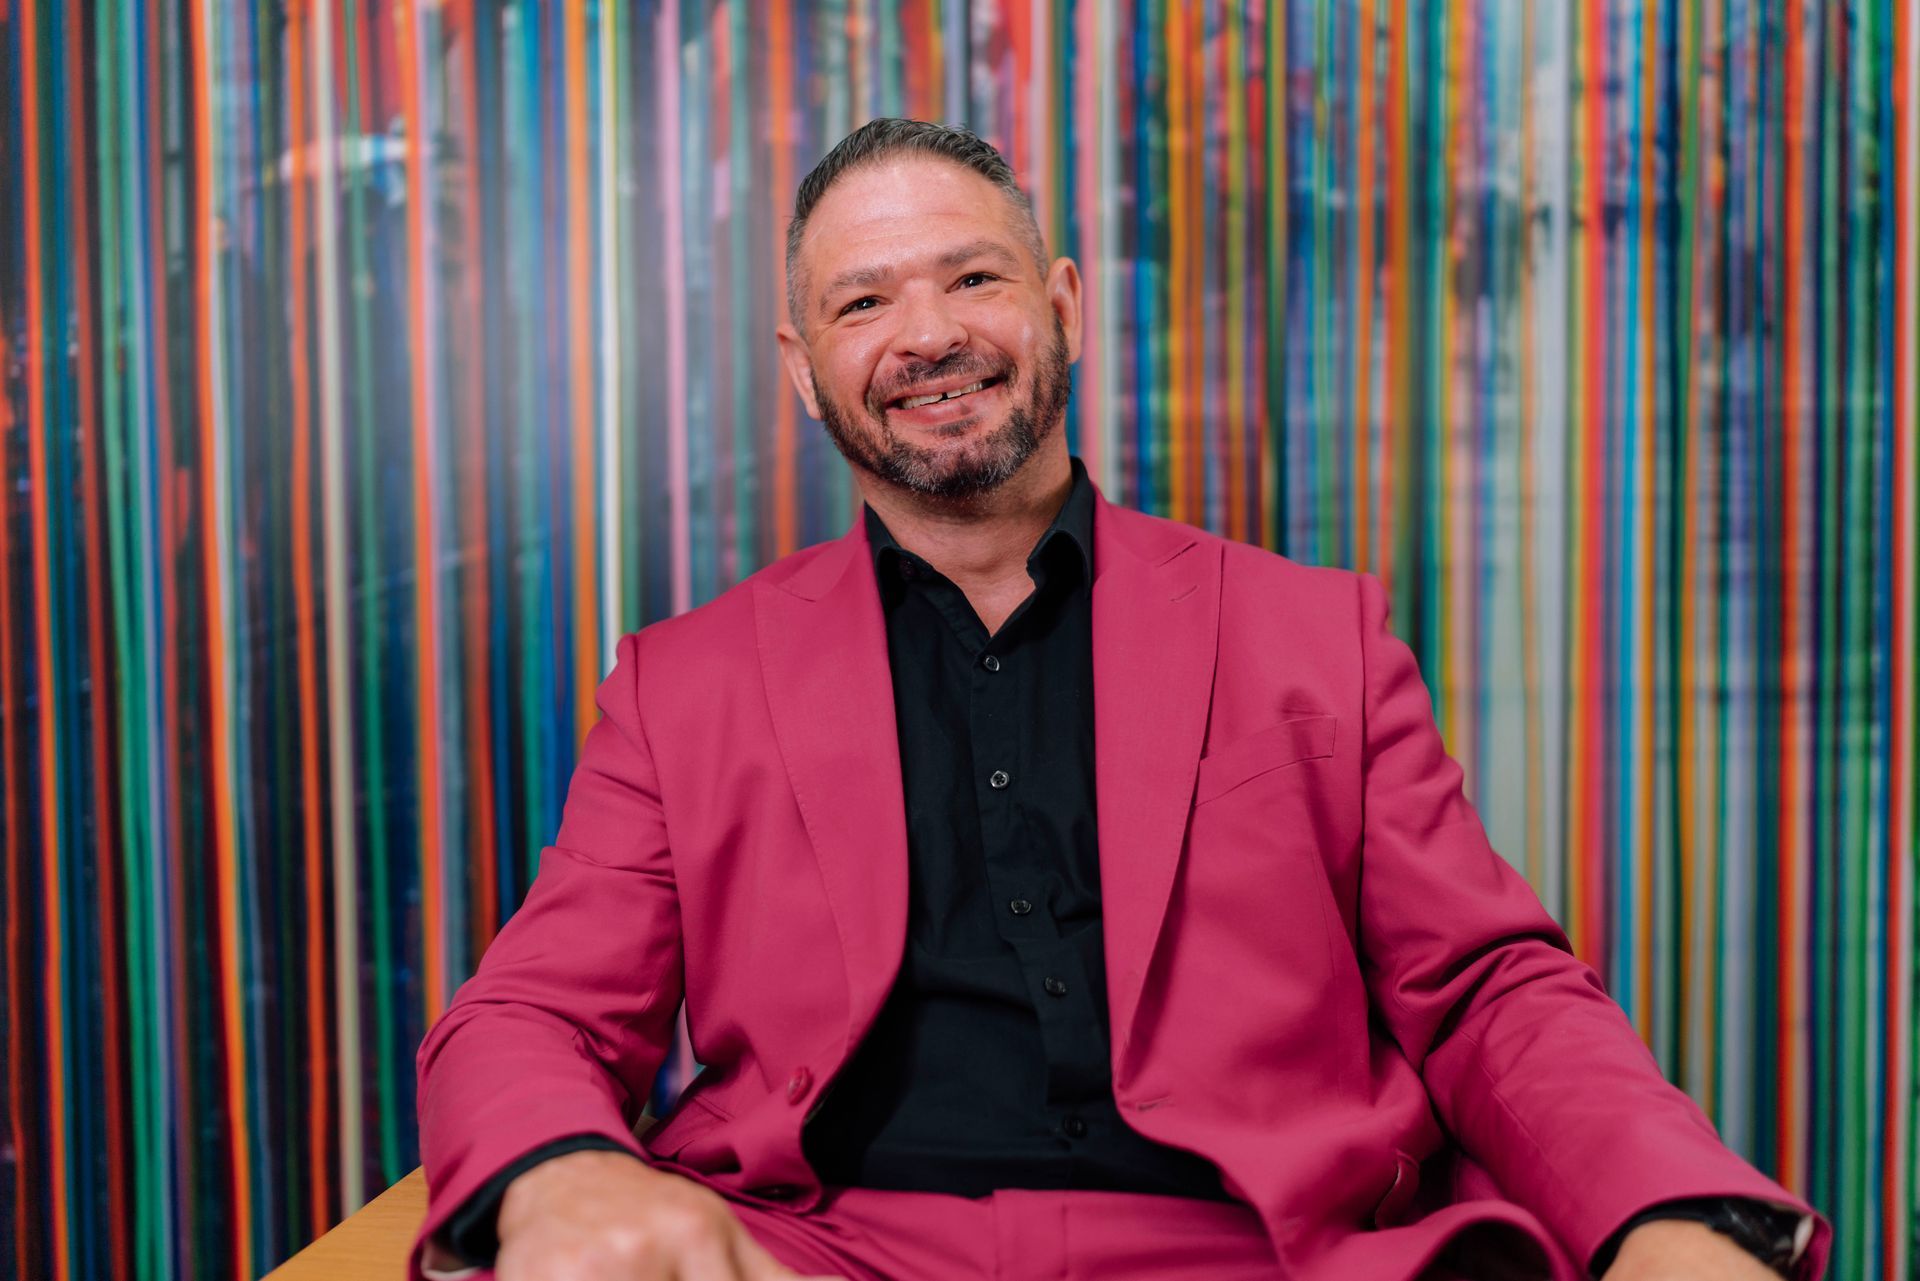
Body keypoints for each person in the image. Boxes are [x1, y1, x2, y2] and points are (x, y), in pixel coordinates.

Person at [413, 119, 1827, 1281]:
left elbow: (1490, 990)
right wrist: (559, 1170)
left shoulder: (1310, 632)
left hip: (1262, 1252)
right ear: (803, 371)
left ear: (1065, 307)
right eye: (862, 300)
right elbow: (525, 1012)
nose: (926, 333)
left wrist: (1671, 1213)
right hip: (827, 1253)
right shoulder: (686, 681)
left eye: (973, 278)